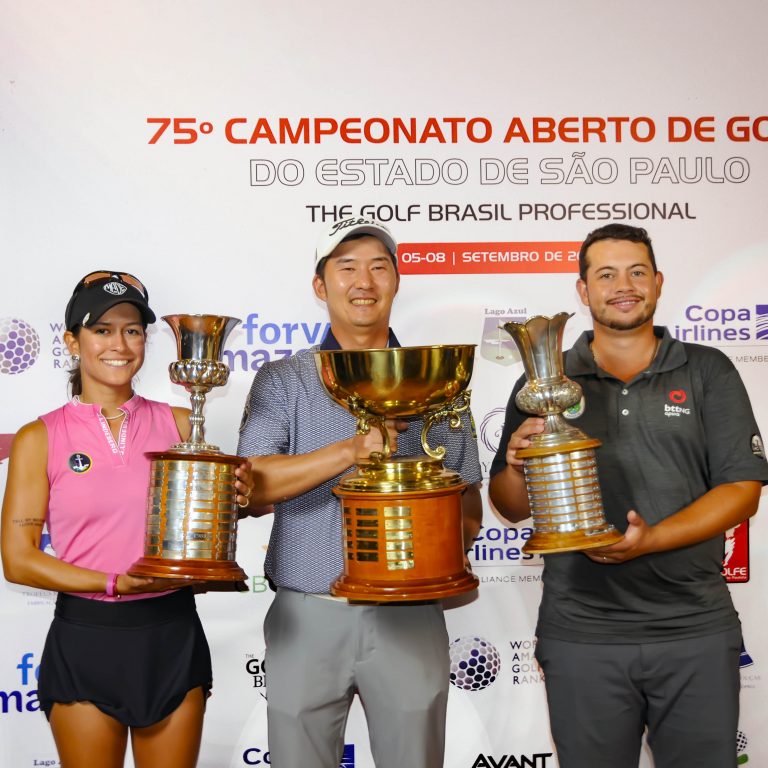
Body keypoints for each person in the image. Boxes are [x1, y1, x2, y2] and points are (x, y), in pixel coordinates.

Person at [489, 223, 768, 768]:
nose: (624, 286)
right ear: (583, 290)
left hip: (693, 628)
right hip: (581, 632)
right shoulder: (545, 382)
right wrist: (520, 465)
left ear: (658, 283)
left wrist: (652, 539)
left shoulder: (707, 369)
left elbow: (742, 490)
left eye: (637, 272)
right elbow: (511, 507)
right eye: (606, 274)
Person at [237, 218, 483, 768]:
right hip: (308, 611)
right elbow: (252, 488)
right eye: (346, 267)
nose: (364, 281)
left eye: (378, 267)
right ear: (320, 285)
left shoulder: (436, 378)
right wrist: (349, 452)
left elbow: (468, 501)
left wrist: (433, 547)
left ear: (396, 281)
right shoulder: (285, 379)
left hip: (409, 615)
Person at [1, 271, 254, 768]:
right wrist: (115, 583)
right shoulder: (40, 437)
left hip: (171, 634)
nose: (119, 344)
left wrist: (236, 499)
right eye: (102, 330)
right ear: (72, 342)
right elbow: (18, 560)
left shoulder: (182, 424)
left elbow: (204, 530)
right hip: (86, 638)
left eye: (132, 330)